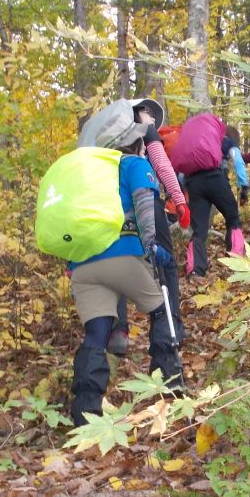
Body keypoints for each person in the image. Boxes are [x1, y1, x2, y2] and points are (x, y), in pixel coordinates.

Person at [68, 101, 184, 426]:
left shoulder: (88, 175)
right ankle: (169, 388)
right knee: (161, 310)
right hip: (121, 260)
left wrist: (70, 263)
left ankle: (85, 414)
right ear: (136, 140)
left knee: (96, 334)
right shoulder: (133, 163)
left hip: (83, 266)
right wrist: (152, 247)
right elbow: (147, 204)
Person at [79, 100, 190, 356]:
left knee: (116, 258)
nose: (152, 119)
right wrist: (178, 197)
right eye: (149, 113)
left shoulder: (99, 136)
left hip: (105, 206)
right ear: (138, 112)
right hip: (143, 197)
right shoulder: (141, 129)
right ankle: (168, 327)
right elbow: (161, 164)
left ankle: (118, 331)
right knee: (166, 264)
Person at [181, 113, 246, 277]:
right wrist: (243, 185)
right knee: (233, 219)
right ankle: (237, 263)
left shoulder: (192, 148)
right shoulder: (225, 141)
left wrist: (182, 190)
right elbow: (237, 160)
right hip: (217, 180)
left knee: (199, 230)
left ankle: (195, 269)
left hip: (194, 184)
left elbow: (181, 174)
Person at [221, 124, 250, 206]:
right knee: (232, 213)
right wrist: (244, 185)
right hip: (218, 177)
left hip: (196, 181)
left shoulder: (210, 141)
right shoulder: (230, 142)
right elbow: (237, 161)